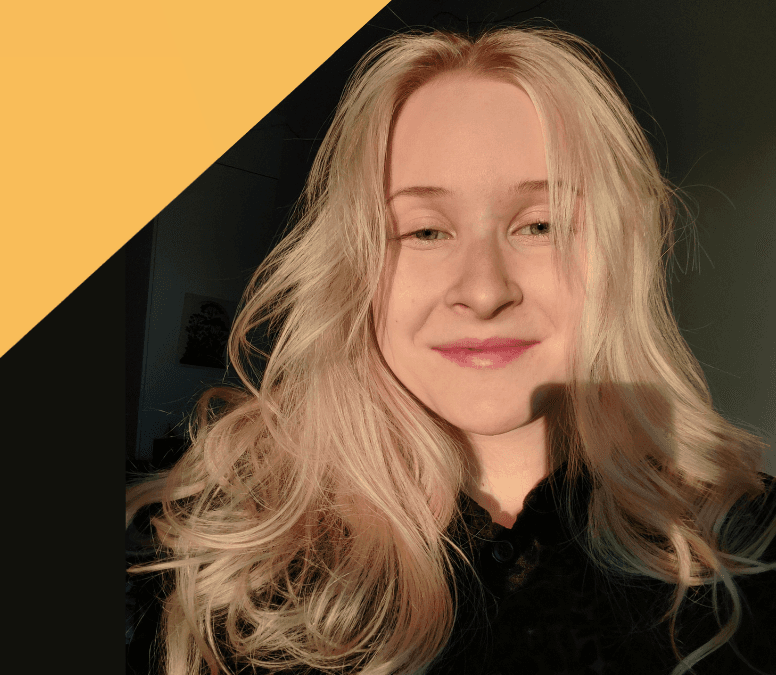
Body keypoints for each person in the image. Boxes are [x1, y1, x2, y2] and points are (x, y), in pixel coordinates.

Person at [125, 26, 776, 675]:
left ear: (614, 257)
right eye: (426, 231)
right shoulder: (218, 569)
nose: (484, 291)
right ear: (355, 268)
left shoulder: (749, 542)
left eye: (540, 224)